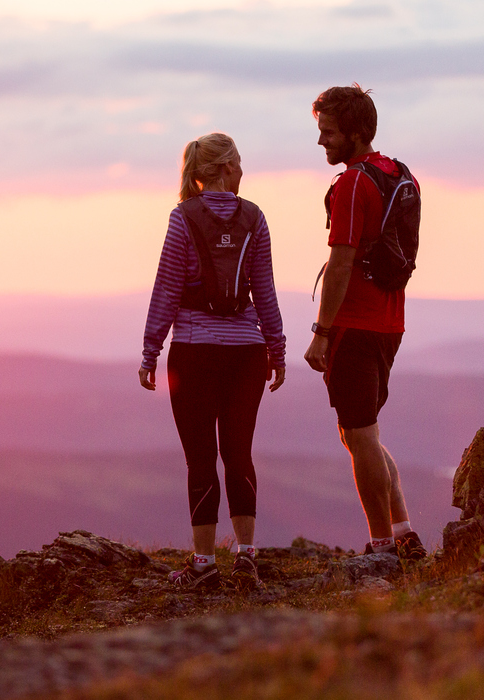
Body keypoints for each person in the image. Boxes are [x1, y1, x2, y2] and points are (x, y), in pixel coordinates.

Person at [139, 132, 286, 590]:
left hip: (194, 352)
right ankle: (246, 557)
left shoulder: (182, 219)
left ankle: (203, 563)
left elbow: (166, 288)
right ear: (224, 168)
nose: (243, 173)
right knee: (239, 452)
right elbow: (264, 291)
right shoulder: (255, 218)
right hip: (246, 354)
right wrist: (276, 349)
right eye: (239, 164)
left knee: (200, 458)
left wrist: (150, 349)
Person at [304, 84, 427, 560]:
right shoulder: (399, 174)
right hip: (389, 321)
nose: (322, 142)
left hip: (355, 324)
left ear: (356, 132)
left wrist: (321, 333)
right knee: (364, 434)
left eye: (329, 132)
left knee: (358, 435)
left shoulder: (353, 183)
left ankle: (381, 547)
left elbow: (340, 264)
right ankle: (403, 534)